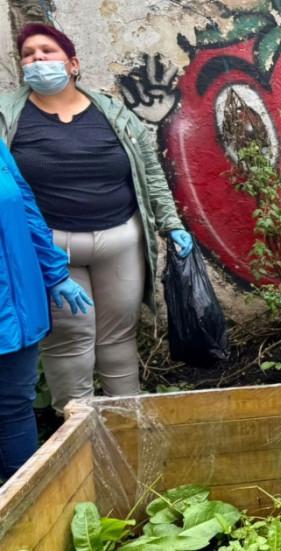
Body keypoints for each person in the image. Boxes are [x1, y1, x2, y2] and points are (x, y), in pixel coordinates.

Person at [0, 24, 193, 414]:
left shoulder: (113, 112)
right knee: (70, 341)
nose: (37, 60)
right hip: (50, 249)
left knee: (119, 338)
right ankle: (78, 442)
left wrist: (170, 223)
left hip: (120, 240)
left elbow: (149, 171)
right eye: (28, 55)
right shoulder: (7, 116)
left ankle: (129, 429)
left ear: (72, 64)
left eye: (47, 52)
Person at [0, 138, 91, 480]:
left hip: (18, 306)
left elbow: (25, 207)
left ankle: (26, 508)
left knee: (14, 406)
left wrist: (55, 273)